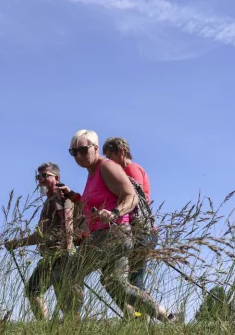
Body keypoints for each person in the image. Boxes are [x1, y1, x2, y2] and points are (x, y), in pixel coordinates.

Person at [57, 129, 177, 322]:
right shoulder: (93, 173)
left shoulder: (107, 167)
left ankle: (71, 320)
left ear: (95, 148)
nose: (78, 155)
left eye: (82, 149)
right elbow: (92, 208)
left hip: (111, 234)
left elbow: (132, 196)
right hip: (112, 235)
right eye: (73, 152)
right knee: (115, 284)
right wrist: (72, 195)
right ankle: (165, 315)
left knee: (71, 270)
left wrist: (114, 213)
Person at [4, 162, 81, 320]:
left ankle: (45, 328)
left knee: (32, 290)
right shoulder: (50, 200)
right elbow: (41, 235)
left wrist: (66, 252)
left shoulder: (61, 197)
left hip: (59, 255)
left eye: (45, 175)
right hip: (58, 255)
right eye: (38, 177)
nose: (40, 179)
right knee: (66, 302)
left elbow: (68, 223)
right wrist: (16, 243)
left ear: (56, 177)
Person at [102, 136, 158, 290]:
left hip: (141, 231)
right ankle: (137, 313)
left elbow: (136, 197)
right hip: (139, 231)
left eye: (110, 157)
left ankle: (145, 313)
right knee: (126, 280)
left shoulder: (130, 169)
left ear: (121, 151)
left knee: (135, 281)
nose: (109, 162)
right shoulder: (127, 170)